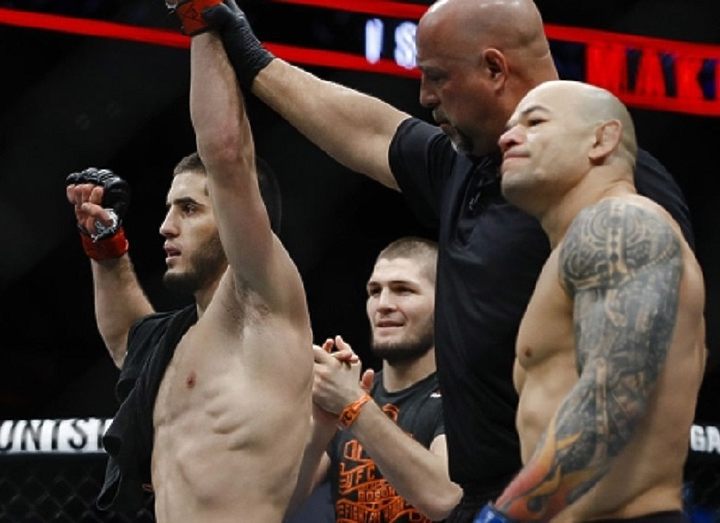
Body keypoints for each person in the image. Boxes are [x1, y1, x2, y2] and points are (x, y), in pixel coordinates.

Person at [192, 0, 696, 519]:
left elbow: (625, 393)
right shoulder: (476, 169)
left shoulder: (621, 203)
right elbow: (370, 130)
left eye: (435, 76)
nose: (424, 96)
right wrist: (252, 58)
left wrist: (511, 512)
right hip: (506, 498)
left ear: (496, 69)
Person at [64, 22, 314, 523]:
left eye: (189, 209)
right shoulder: (178, 343)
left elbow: (226, 155)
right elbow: (128, 340)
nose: (165, 226)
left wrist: (199, 20)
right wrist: (107, 249)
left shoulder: (263, 309)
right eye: (168, 209)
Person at [471, 79, 706, 521]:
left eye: (534, 122)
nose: (507, 138)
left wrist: (504, 516)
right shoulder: (574, 248)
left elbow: (613, 398)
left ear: (602, 140)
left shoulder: (620, 223)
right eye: (509, 127)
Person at [287, 237, 462, 522]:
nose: (383, 304)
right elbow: (277, 508)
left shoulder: (463, 396)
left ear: (444, 302)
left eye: (403, 290)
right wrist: (319, 429)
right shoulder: (350, 395)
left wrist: (353, 404)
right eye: (375, 291)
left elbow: (443, 497)